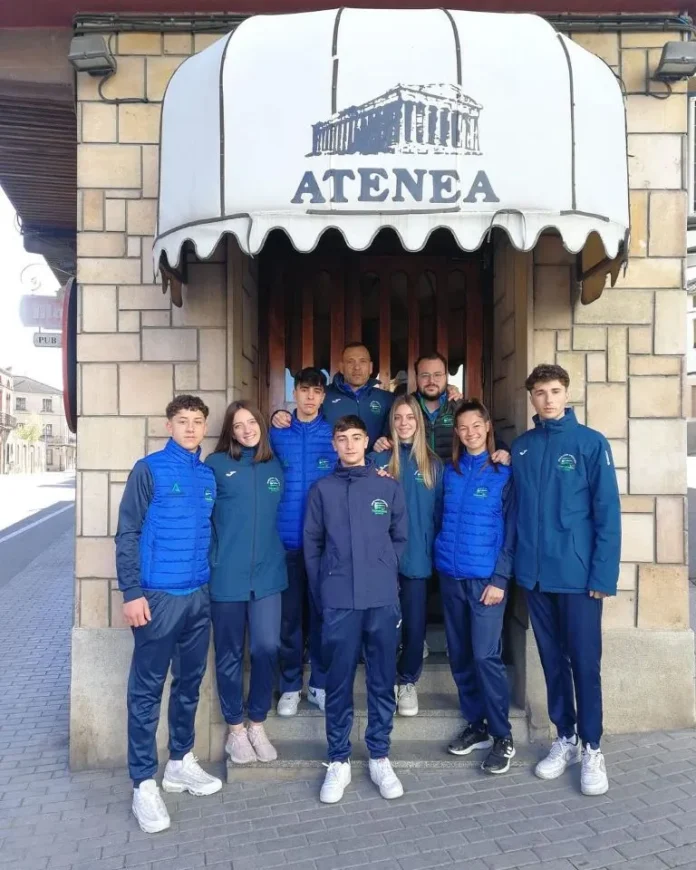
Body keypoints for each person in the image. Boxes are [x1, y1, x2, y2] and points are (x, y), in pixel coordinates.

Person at [115, 395, 222, 835]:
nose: (191, 428)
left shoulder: (207, 475)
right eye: (182, 421)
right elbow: (127, 531)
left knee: (189, 683)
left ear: (204, 427)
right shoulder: (149, 470)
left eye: (197, 421)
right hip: (157, 598)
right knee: (146, 690)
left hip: (198, 595)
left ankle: (179, 762)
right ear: (169, 426)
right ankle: (143, 783)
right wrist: (131, 592)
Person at [512, 364, 620, 796]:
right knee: (552, 662)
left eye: (555, 391)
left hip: (578, 579)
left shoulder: (591, 443)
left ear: (566, 393)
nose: (548, 399)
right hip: (536, 578)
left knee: (584, 663)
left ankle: (593, 747)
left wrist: (602, 574)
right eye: (540, 393)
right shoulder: (522, 448)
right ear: (532, 398)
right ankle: (566, 738)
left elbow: (607, 513)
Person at [303, 415, 408, 804]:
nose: (349, 444)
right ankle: (338, 759)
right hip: (339, 600)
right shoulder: (322, 490)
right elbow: (312, 545)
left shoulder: (387, 486)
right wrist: (324, 590)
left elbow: (400, 536)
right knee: (338, 682)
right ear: (334, 444)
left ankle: (379, 755)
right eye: (342, 438)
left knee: (381, 680)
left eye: (356, 438)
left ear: (366, 442)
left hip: (381, 599)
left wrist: (384, 567)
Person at [434, 399, 517, 775]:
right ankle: (477, 724)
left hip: (486, 581)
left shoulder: (503, 471)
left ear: (487, 427)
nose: (470, 433)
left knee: (485, 656)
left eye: (476, 426)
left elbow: (512, 531)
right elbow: (439, 517)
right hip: (451, 576)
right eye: (463, 428)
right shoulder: (450, 472)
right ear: (457, 432)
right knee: (461, 654)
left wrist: (500, 579)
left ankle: (502, 735)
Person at [205, 401, 288, 766]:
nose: (246, 430)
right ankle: (235, 730)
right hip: (227, 575)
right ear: (231, 432)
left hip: (268, 574)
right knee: (229, 654)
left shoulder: (275, 465)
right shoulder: (216, 466)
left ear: (261, 424)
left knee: (267, 647)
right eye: (238, 425)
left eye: (251, 422)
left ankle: (256, 722)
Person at [369, 395, 442, 718]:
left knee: (414, 623)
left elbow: (440, 513)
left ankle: (408, 680)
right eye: (398, 417)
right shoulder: (379, 459)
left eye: (410, 417)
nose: (403, 423)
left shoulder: (433, 465)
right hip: (381, 559)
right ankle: (384, 680)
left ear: (419, 422)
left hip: (417, 557)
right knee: (384, 624)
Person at [270, 367, 337, 717]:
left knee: (323, 616)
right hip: (286, 543)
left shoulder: (334, 435)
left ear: (323, 396)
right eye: (304, 390)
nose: (310, 397)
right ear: (294, 392)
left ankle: (319, 684)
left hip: (324, 545)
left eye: (317, 391)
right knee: (289, 619)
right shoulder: (276, 434)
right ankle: (290, 686)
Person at [374, 352, 511, 464]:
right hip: (417, 482)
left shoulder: (460, 407)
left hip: (454, 481)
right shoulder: (404, 408)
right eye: (425, 375)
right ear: (416, 378)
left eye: (437, 375)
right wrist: (381, 442)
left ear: (446, 377)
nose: (431, 381)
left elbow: (490, 437)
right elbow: (387, 438)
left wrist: (503, 451)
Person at [272, 343, 394, 450]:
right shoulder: (324, 395)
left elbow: (398, 433)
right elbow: (303, 418)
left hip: (375, 466)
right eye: (350, 361)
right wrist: (279, 416)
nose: (357, 367)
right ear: (341, 367)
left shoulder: (387, 399)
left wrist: (387, 440)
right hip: (331, 466)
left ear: (371, 367)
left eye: (362, 361)